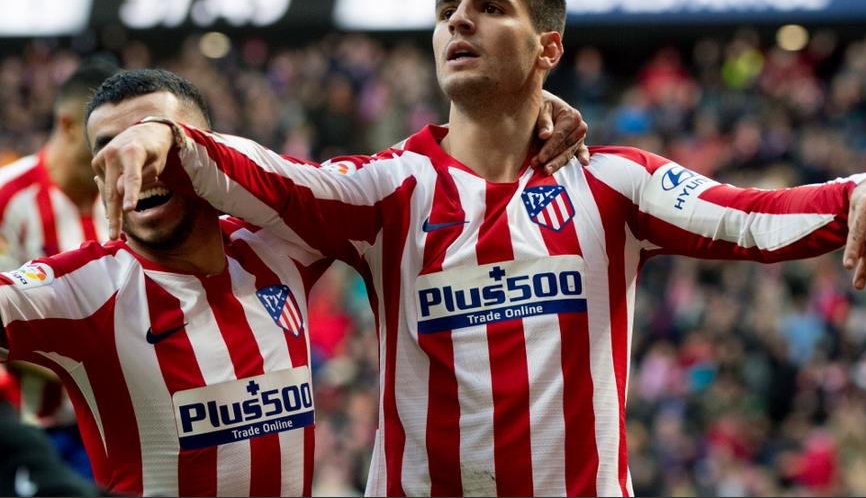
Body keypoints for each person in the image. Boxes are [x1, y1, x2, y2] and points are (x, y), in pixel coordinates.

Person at [94, 0, 866, 497]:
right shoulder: (389, 189)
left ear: (547, 47)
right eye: (449, 6)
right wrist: (167, 136)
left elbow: (744, 215)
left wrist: (858, 190)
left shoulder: (614, 185)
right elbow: (273, 177)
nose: (459, 19)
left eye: (489, 6)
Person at [0, 67, 587, 497]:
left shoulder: (281, 246)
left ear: (204, 153)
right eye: (110, 152)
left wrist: (517, 112)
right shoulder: (81, 288)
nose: (135, 166)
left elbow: (409, 171)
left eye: (153, 143)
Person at [0, 55, 118, 479]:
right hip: (35, 432)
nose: (120, 150)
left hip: (121, 429)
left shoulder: (127, 196)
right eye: (106, 137)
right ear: (69, 126)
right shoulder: (8, 198)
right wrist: (94, 360)